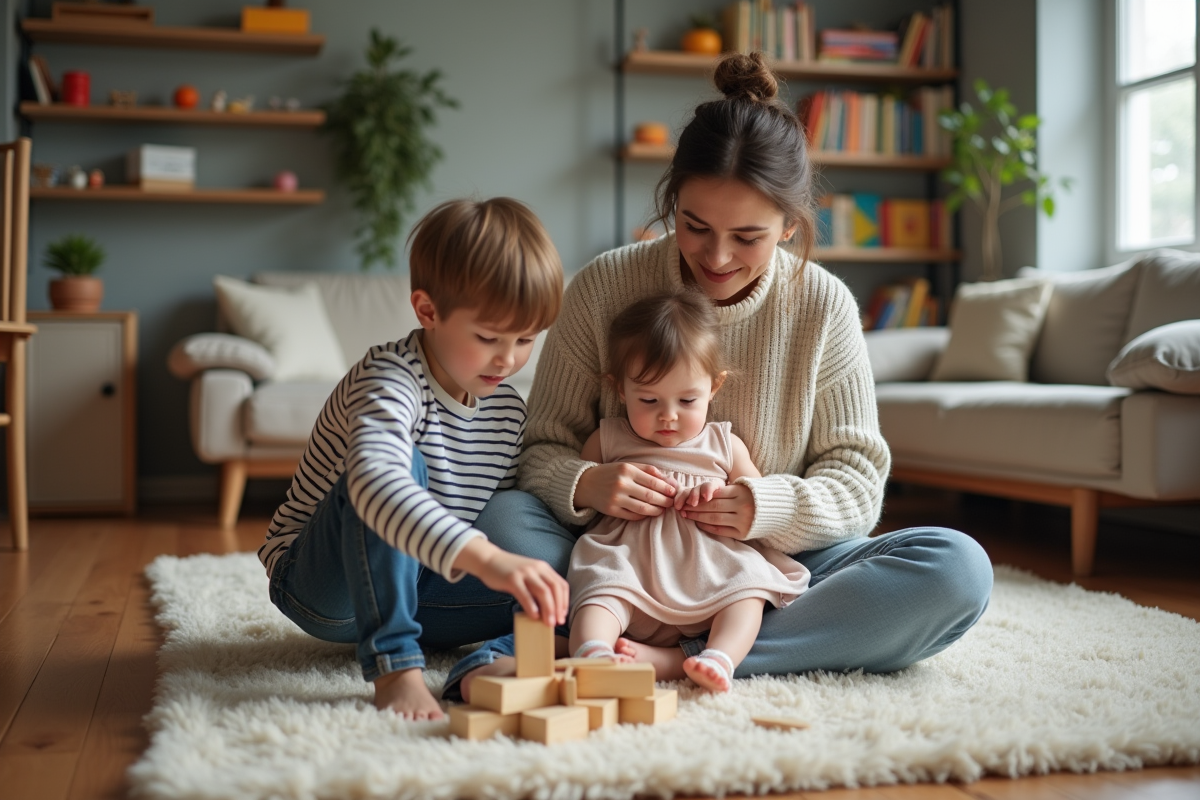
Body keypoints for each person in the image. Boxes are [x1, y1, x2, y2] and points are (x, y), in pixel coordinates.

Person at [261, 197, 570, 721]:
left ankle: (484, 668)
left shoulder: (508, 410)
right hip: (323, 588)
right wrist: (489, 559)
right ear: (428, 311)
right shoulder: (390, 378)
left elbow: (512, 514)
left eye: (525, 339)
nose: (509, 358)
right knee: (403, 470)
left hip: (425, 584)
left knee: (560, 587)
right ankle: (395, 668)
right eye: (489, 338)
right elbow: (377, 486)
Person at [568, 288, 811, 692]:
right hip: (632, 563)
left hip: (711, 566)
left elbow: (758, 494)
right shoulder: (607, 438)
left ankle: (719, 656)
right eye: (648, 399)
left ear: (714, 388)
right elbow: (581, 487)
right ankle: (592, 651)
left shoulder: (723, 443)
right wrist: (592, 483)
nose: (668, 416)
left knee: (749, 588)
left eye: (687, 399)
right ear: (618, 389)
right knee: (599, 587)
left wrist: (727, 494)